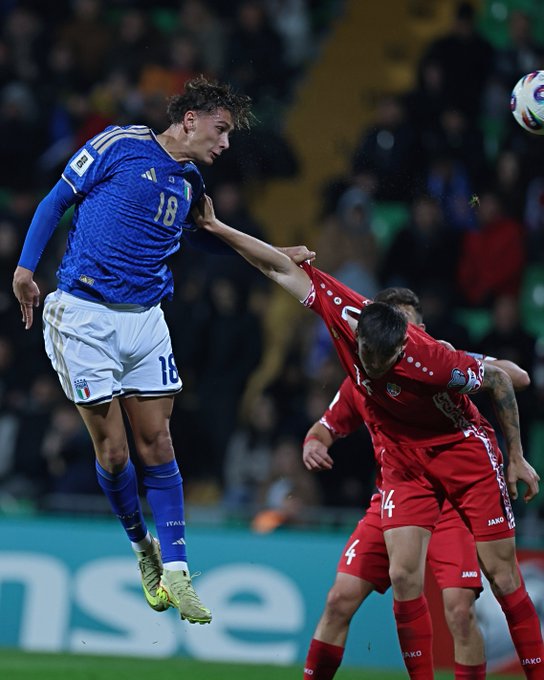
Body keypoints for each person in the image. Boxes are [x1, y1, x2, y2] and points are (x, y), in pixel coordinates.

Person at [193, 196, 544, 677]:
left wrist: (516, 457)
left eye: (384, 364)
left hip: (461, 453)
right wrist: (216, 227)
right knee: (401, 576)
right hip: (406, 468)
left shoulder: (433, 359)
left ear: (405, 342)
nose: (372, 372)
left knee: (503, 579)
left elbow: (507, 381)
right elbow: (276, 267)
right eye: (366, 361)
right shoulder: (347, 314)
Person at [11, 76, 257, 626]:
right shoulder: (119, 144)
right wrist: (27, 267)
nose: (224, 145)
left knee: (159, 441)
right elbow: (57, 199)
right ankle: (142, 548)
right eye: (220, 131)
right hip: (85, 317)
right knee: (115, 453)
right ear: (190, 118)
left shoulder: (190, 181)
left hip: (145, 320)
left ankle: (178, 570)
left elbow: (219, 233)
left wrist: (277, 253)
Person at [302, 286, 530, 680]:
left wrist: (464, 360)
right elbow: (323, 428)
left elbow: (516, 377)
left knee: (460, 610)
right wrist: (312, 444)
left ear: (418, 332)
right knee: (340, 599)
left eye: (407, 329)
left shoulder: (435, 365)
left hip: (449, 498)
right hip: (396, 492)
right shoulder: (363, 376)